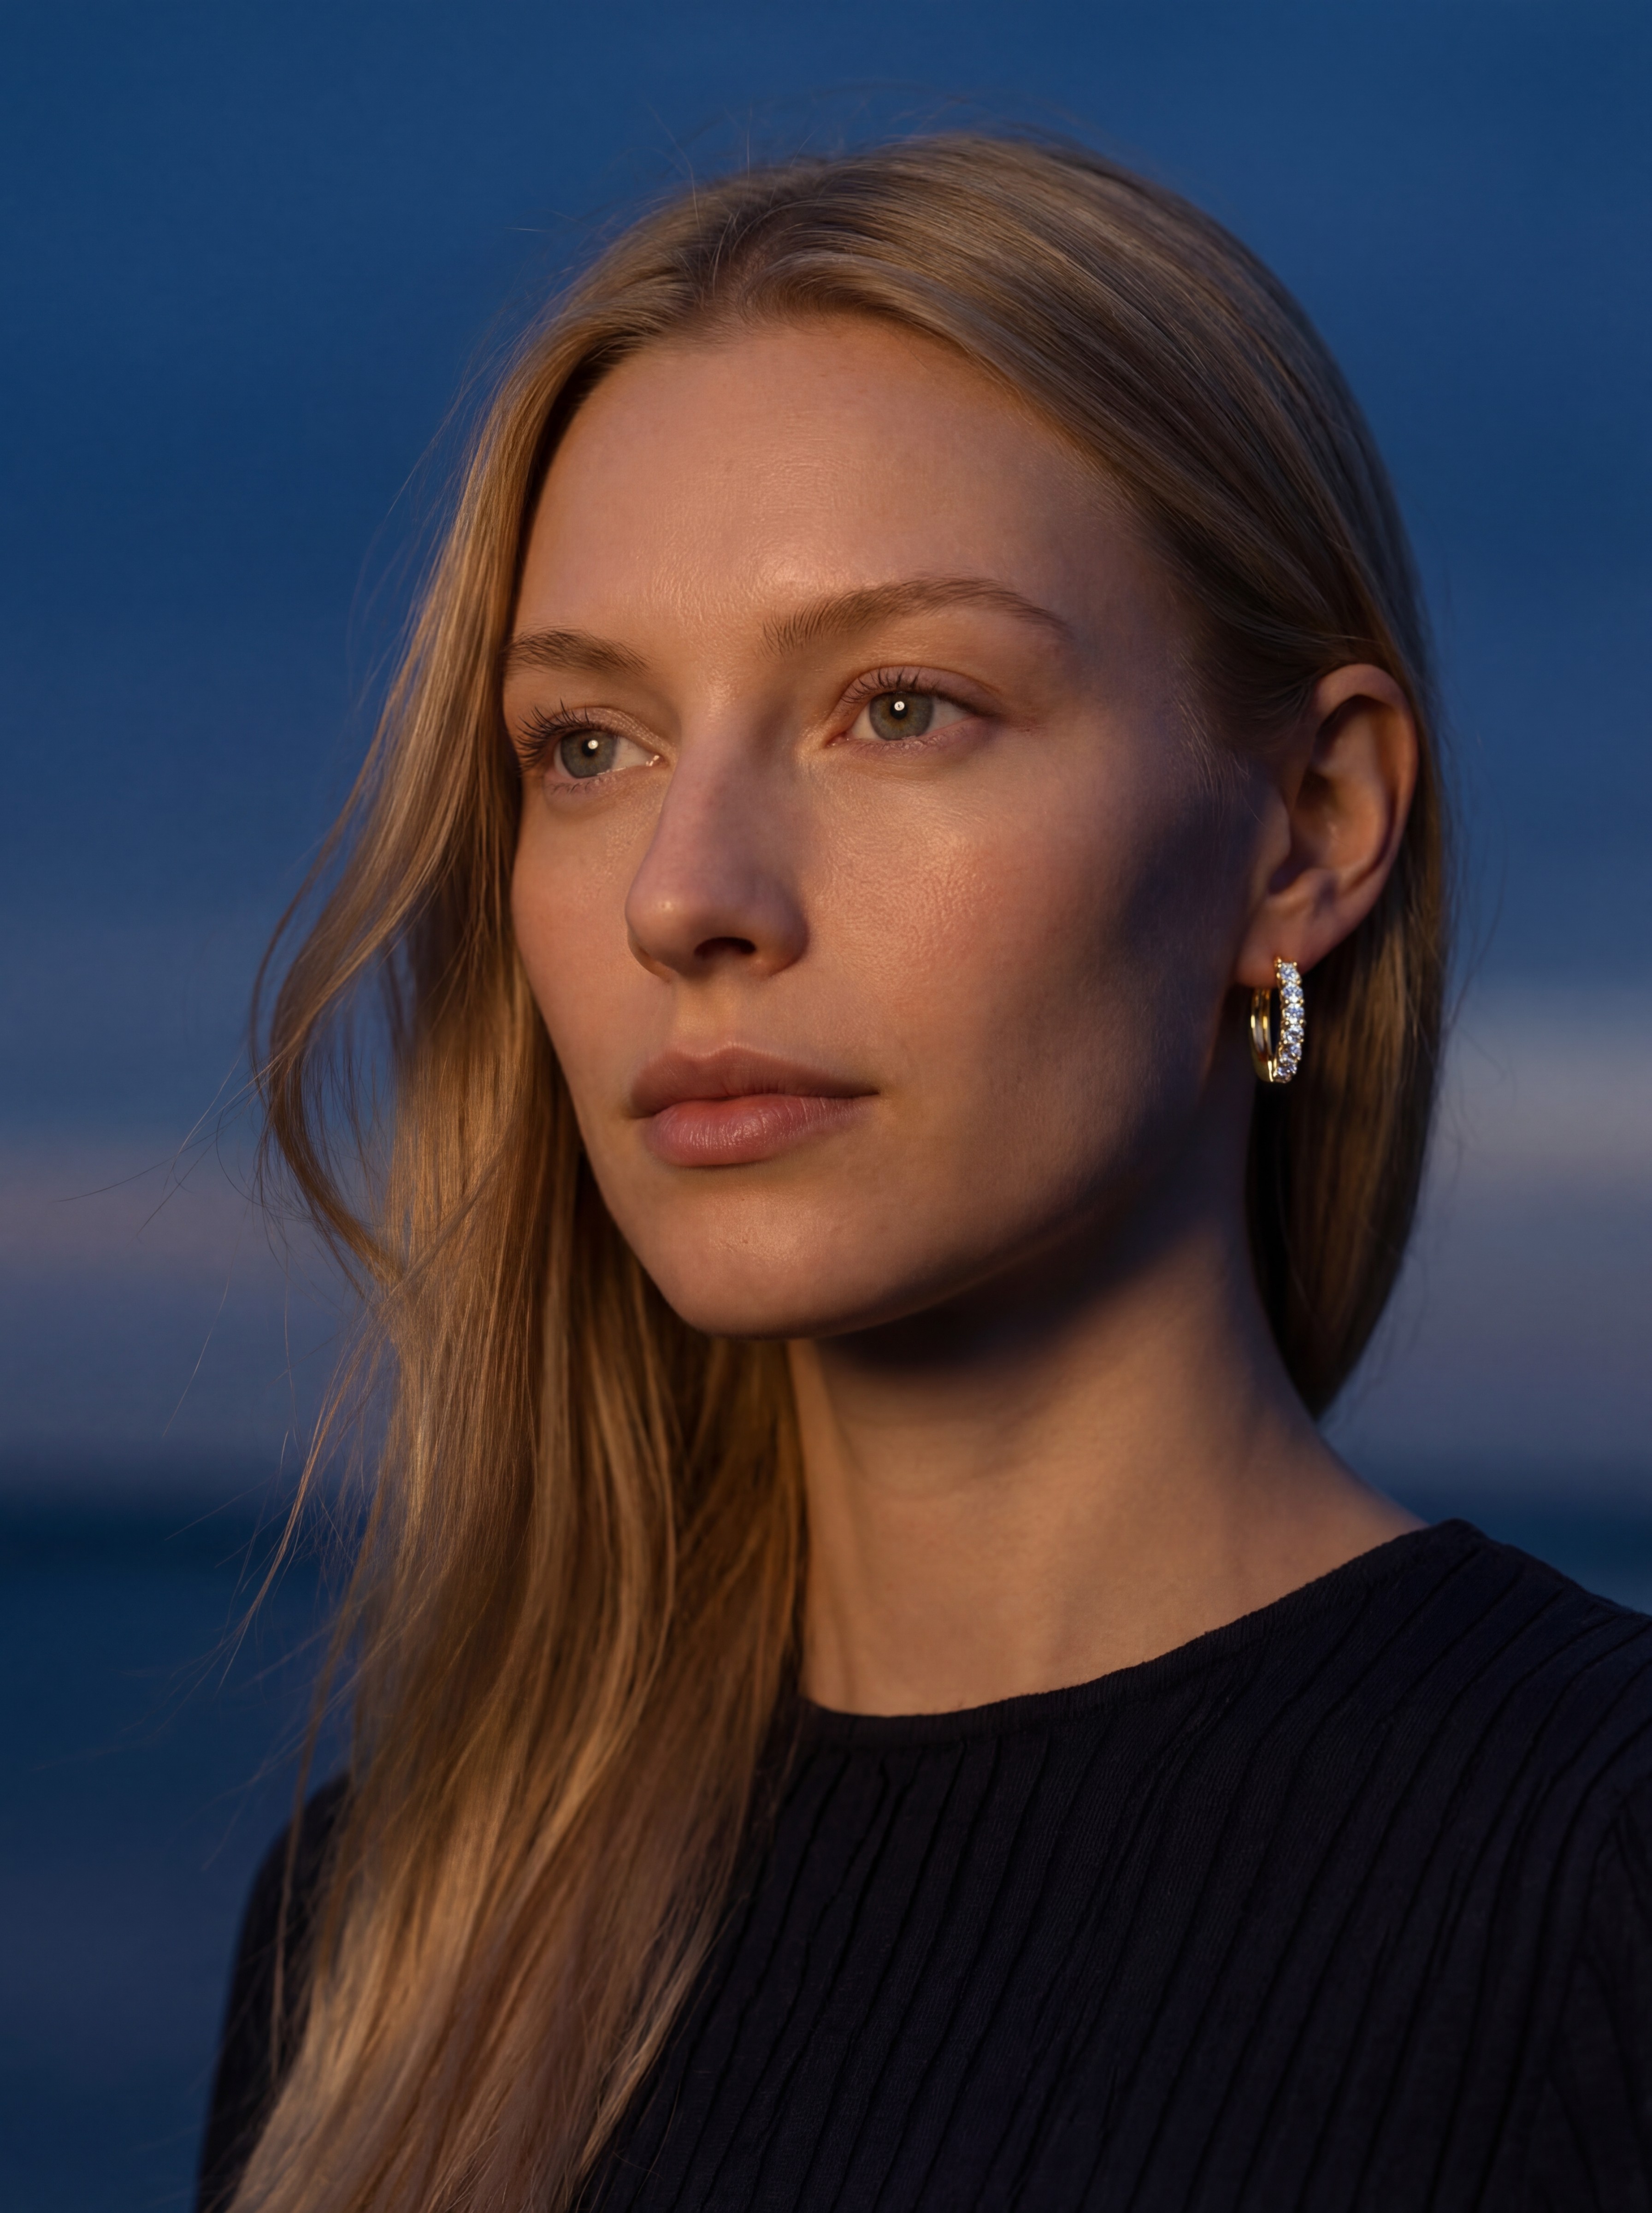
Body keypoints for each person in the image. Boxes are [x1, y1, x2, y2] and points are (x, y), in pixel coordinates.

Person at [197, 136, 1652, 2213]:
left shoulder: (1592, 1873)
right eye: (585, 747)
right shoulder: (383, 1945)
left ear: (1305, 830)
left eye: (899, 707)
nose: (687, 898)